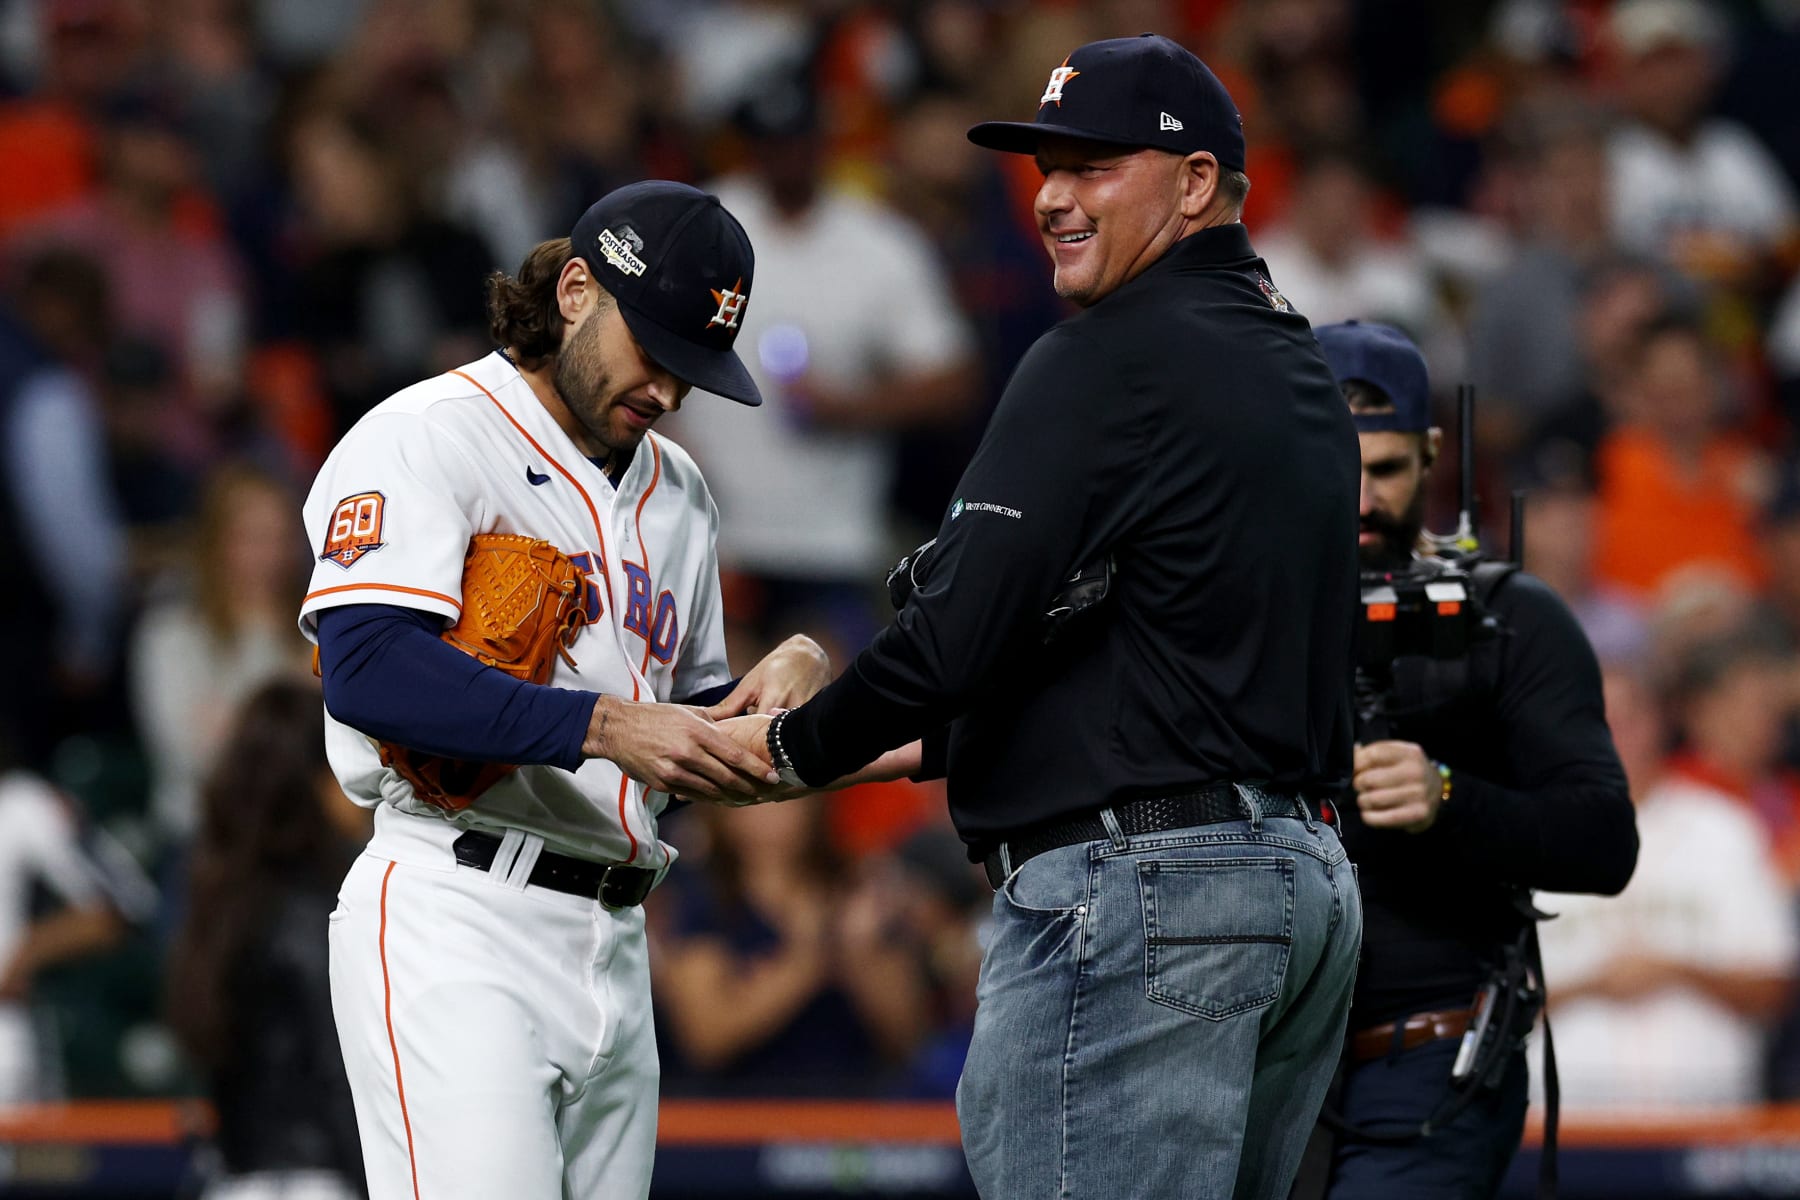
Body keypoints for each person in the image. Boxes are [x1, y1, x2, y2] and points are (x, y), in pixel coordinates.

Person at [724, 35, 1365, 1198]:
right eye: (1045, 167)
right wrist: (894, 752)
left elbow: (958, 637)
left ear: (1197, 184)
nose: (1055, 197)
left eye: (1096, 165)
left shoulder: (1108, 357)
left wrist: (789, 751)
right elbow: (1147, 666)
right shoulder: (1295, 366)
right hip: (1292, 885)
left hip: (1146, 897)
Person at [301, 181, 829, 1200]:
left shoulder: (678, 491)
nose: (670, 392)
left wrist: (797, 685)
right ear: (578, 290)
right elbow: (365, 667)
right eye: (657, 352)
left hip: (618, 937)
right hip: (460, 917)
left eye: (692, 370)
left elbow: (691, 741)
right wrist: (603, 723)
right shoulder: (431, 433)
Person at [1309, 320, 1638, 1198]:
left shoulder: (1509, 620)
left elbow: (1605, 841)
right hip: (1255, 1065)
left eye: (1384, 471)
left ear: (1430, 455)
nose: (1363, 500)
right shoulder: (1233, 628)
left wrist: (1447, 796)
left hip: (1428, 1063)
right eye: (1339, 471)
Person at [166, 681, 372, 1198]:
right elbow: (339, 1078)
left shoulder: (225, 898)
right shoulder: (319, 910)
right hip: (320, 1181)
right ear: (311, 780)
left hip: (235, 1181)